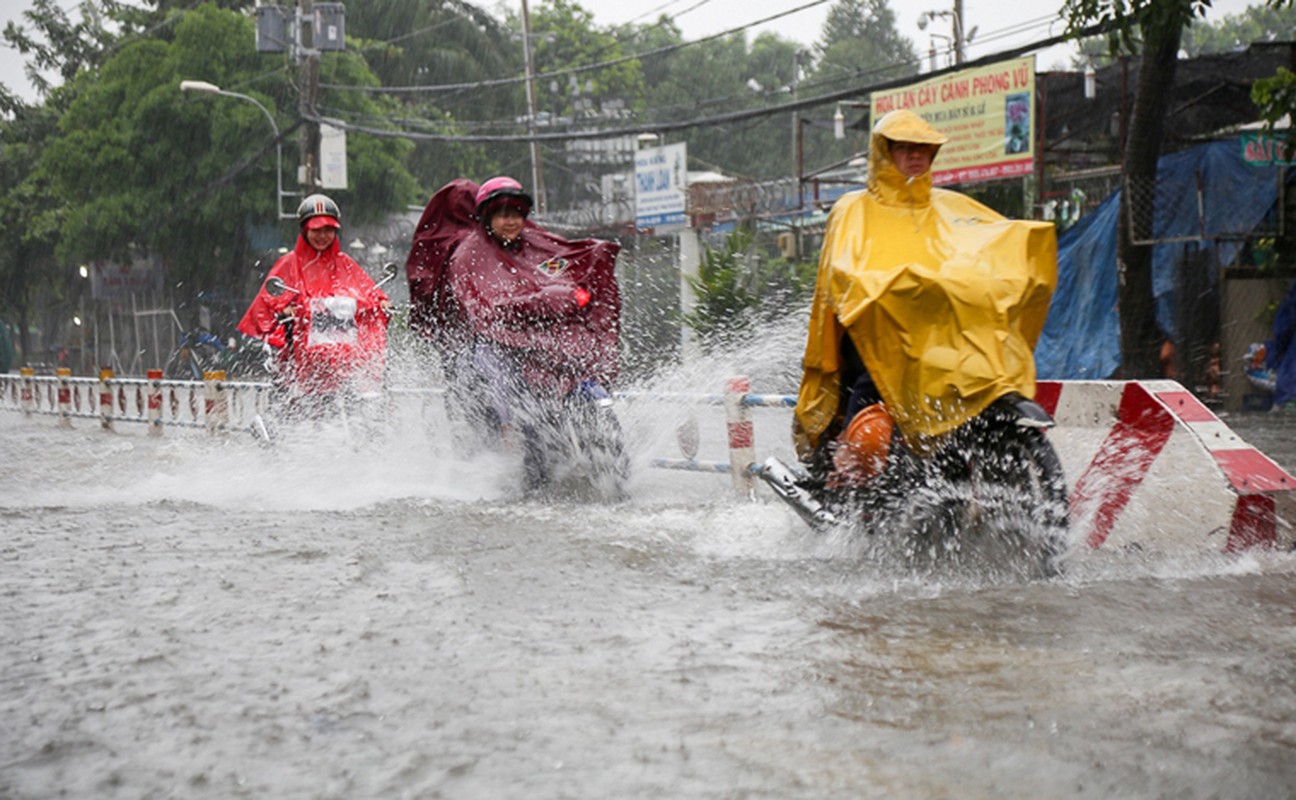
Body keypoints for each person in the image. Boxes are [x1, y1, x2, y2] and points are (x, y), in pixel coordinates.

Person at [793, 109, 1056, 483]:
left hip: (939, 336)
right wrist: (890, 287)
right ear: (885, 153)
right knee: (874, 380)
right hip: (878, 330)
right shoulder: (853, 209)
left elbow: (985, 248)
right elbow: (846, 270)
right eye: (905, 147)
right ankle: (849, 467)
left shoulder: (951, 207)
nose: (916, 155)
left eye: (924, 149)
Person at [405, 176, 622, 490]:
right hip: (495, 347)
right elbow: (484, 305)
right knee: (519, 403)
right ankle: (520, 466)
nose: (511, 222)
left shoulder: (536, 243)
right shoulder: (468, 255)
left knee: (581, 375)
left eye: (517, 214)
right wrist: (541, 302)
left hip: (545, 342)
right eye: (503, 215)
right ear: (487, 216)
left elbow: (565, 265)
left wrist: (582, 283)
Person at [238, 194, 392, 417]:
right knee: (291, 411)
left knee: (363, 413)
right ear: (305, 230)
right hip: (300, 361)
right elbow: (268, 304)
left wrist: (382, 303)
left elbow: (369, 293)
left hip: (343, 365)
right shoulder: (290, 263)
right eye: (316, 230)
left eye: (328, 230)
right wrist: (285, 310)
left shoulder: (345, 262)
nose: (323, 236)